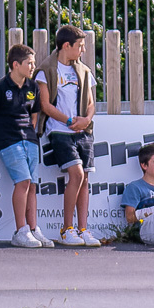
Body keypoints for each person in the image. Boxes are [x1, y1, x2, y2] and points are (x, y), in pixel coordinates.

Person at [36, 26, 99, 247]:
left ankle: (83, 229)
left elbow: (91, 103)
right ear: (66, 46)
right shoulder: (46, 70)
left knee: (85, 180)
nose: (83, 50)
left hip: (83, 131)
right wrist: (69, 121)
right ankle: (66, 228)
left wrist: (86, 120)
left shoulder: (84, 71)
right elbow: (45, 105)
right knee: (76, 173)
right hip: (60, 131)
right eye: (80, 46)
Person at [0, 44, 47, 248]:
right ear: (15, 64)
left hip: (30, 140)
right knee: (23, 181)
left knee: (31, 185)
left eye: (33, 62)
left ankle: (33, 229)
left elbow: (34, 114)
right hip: (9, 141)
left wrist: (29, 134)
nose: (33, 66)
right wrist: (1, 139)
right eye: (29, 63)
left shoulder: (33, 87)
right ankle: (20, 231)